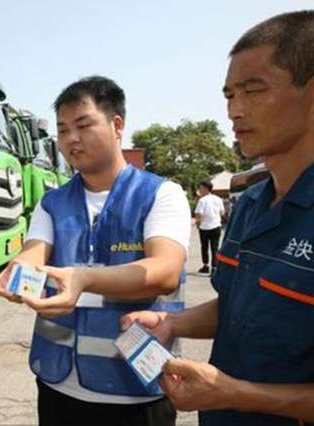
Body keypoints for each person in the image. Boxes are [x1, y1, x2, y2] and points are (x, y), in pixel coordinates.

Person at [122, 10, 314, 425]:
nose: (235, 110)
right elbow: (239, 307)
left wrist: (235, 393)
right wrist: (171, 323)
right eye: (229, 95)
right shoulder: (249, 205)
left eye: (254, 90)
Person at [0, 76, 191, 426]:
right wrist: (16, 275)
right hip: (59, 386)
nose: (71, 139)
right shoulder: (52, 203)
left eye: (83, 125)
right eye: (63, 129)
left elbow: (164, 271)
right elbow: (34, 252)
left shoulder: (161, 194)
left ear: (117, 125)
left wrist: (83, 278)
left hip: (136, 389)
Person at [194, 181, 225, 274]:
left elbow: (199, 214)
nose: (199, 190)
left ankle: (205, 265)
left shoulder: (202, 200)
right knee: (215, 247)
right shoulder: (218, 199)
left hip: (205, 227)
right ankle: (214, 267)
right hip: (216, 226)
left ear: (206, 189)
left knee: (204, 247)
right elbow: (222, 212)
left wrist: (198, 224)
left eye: (201, 188)